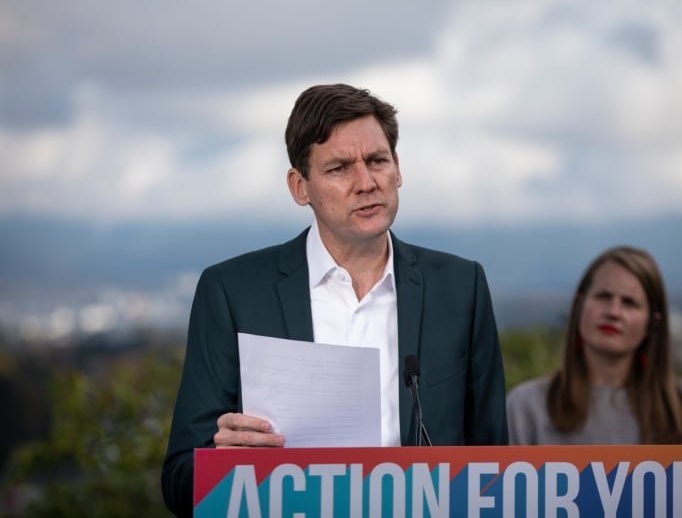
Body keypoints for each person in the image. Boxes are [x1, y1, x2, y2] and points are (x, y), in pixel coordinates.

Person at [162, 83, 508, 516]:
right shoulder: (232, 291)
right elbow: (179, 482)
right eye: (340, 168)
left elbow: (497, 465)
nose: (366, 183)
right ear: (299, 186)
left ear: (397, 168)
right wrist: (224, 465)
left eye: (377, 161)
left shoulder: (461, 286)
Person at [505, 246, 682, 517]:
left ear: (653, 322)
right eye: (603, 296)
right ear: (578, 304)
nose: (614, 311)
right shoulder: (525, 406)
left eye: (630, 303)